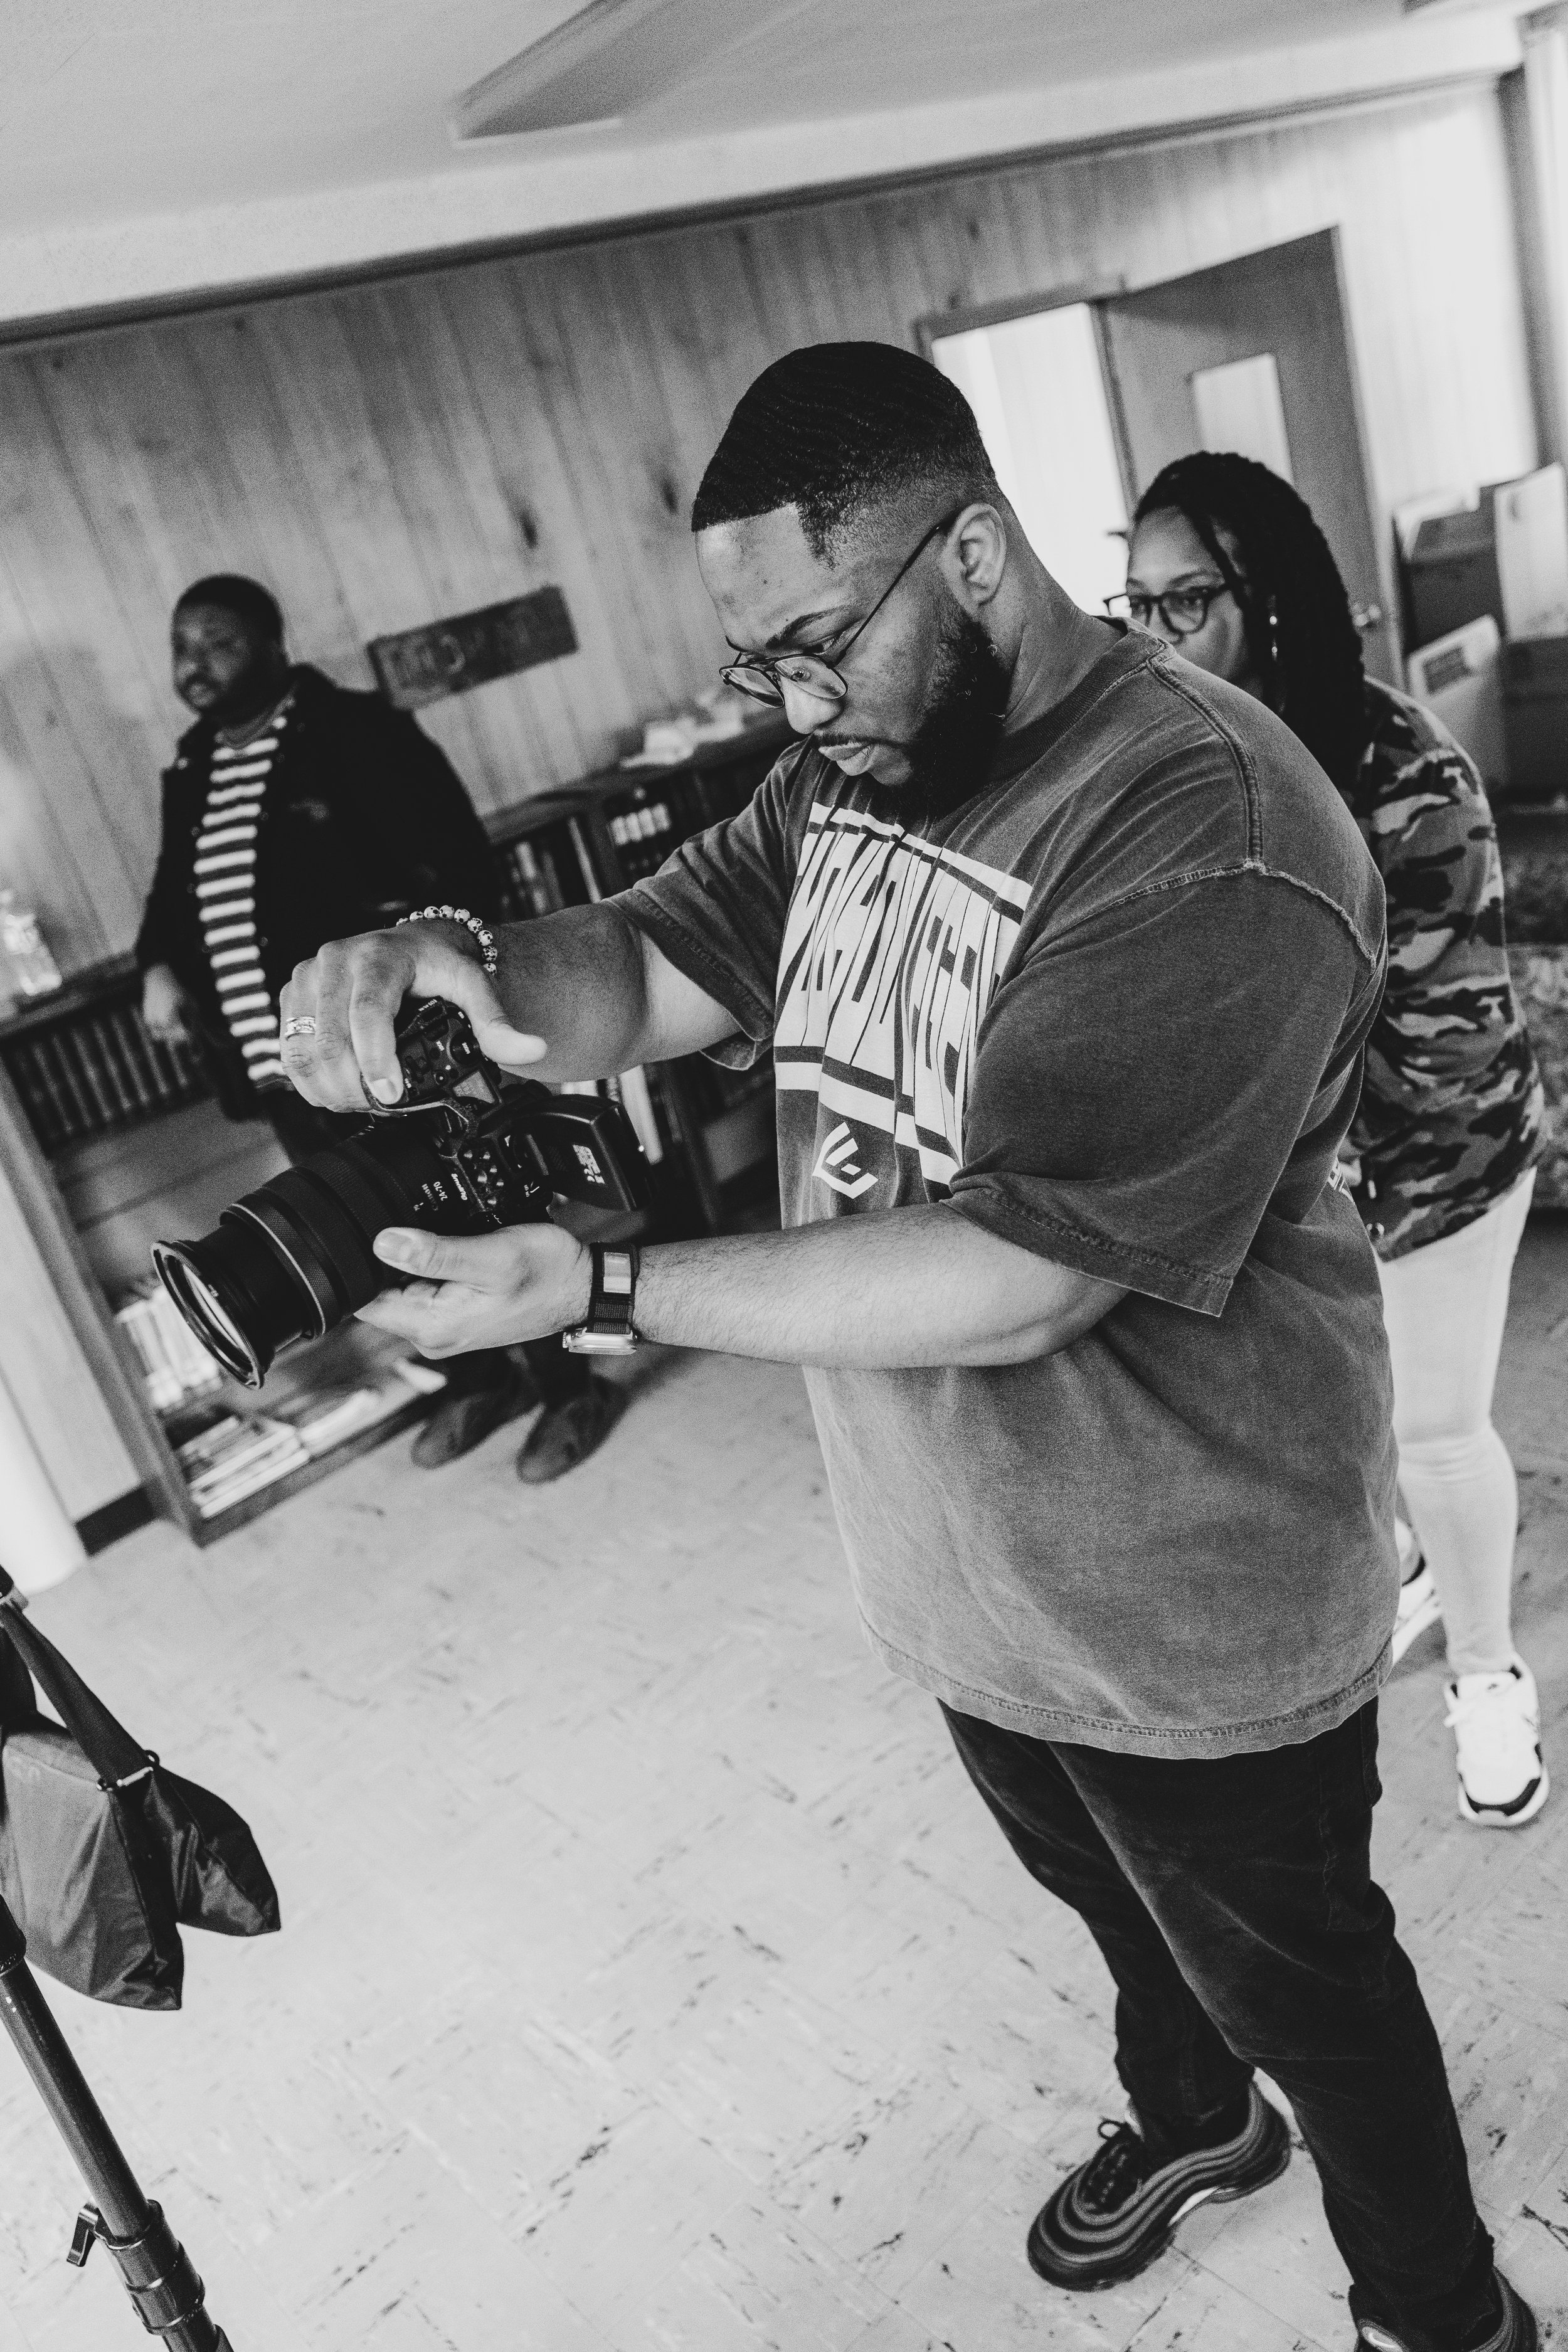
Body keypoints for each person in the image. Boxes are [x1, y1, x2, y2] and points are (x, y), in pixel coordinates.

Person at [277, 344, 1534, 2352]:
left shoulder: (1202, 817)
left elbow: (1025, 1268)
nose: (788, 705)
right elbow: (653, 960)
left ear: (970, 553)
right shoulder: (853, 773)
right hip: (965, 1568)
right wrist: (467, 957)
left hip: (1188, 1602)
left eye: (810, 645)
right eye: (752, 662)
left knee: (1311, 1987)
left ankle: (1443, 2309)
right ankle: (1194, 2117)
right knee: (1113, 1909)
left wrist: (603, 1286)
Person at [1121, 456, 1547, 1830]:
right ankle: (1413, 1570)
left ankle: (1486, 1675)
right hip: (1304, 1183)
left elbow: (1438, 1054)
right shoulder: (1178, 759)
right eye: (1135, 603)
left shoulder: (1403, 777)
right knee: (1346, 1422)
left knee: (1432, 1427)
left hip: (1438, 1166)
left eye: (1185, 600)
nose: (1154, 635)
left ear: (1268, 601)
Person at [135, 573, 622, 1482]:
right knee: (370, 1234)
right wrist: (157, 961)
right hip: (287, 1067)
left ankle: (571, 1387)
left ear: (273, 645)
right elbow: (174, 888)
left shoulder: (355, 731)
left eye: (219, 642)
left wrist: (419, 972)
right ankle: (479, 1380)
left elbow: (457, 864)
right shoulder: (191, 768)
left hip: (392, 1049)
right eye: (182, 647)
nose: (196, 663)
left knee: (485, 1208)